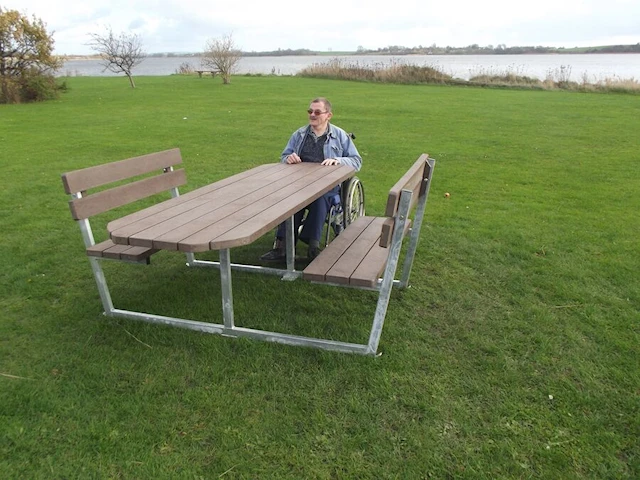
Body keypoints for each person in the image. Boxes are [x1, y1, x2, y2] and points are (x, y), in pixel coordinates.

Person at [261, 97, 362, 261]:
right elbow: (284, 156)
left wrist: (338, 160)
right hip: (300, 184)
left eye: (317, 112)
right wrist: (289, 158)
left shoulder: (340, 136)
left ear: (328, 115)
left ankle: (313, 245)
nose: (312, 115)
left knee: (320, 198)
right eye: (310, 111)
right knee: (290, 199)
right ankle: (282, 246)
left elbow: (356, 161)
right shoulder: (299, 134)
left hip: (327, 186)